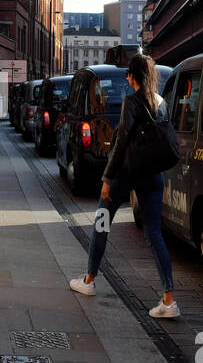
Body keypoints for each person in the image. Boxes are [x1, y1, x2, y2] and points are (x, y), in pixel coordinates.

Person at [69, 54, 179, 319]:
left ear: (132, 78)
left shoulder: (132, 102)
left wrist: (107, 179)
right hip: (153, 177)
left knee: (102, 223)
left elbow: (120, 145)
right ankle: (169, 299)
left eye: (129, 75)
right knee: (154, 234)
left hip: (124, 176)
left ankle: (89, 280)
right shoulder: (161, 103)